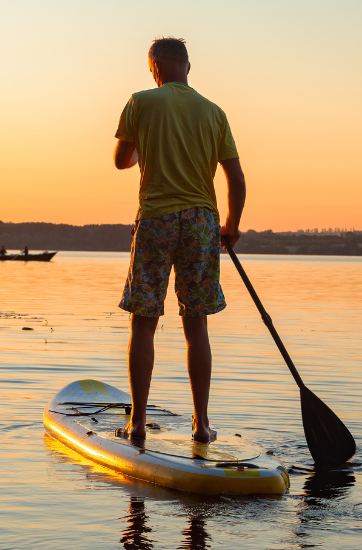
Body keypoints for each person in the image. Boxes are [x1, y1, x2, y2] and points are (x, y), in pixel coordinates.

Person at [113, 37, 246, 442]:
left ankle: (136, 424)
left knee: (144, 321)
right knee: (197, 323)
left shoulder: (141, 102)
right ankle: (202, 425)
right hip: (203, 222)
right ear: (188, 67)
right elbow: (236, 180)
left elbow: (122, 160)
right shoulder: (214, 112)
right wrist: (232, 226)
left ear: (154, 70)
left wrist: (145, 146)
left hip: (156, 219)